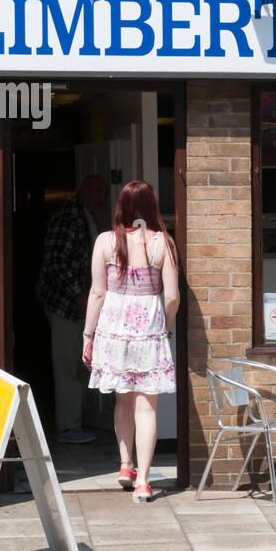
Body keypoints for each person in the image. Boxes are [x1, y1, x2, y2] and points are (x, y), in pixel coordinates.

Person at [82, 181, 179, 502]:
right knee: (147, 407)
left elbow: (97, 293)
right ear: (152, 206)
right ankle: (144, 481)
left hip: (113, 330)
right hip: (148, 331)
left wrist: (88, 336)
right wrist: (163, 326)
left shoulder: (106, 242)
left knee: (122, 400)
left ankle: (125, 466)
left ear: (121, 206)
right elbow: (173, 297)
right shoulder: (162, 243)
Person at [36, 174, 108, 444]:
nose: (102, 198)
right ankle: (68, 427)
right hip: (65, 304)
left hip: (80, 304)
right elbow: (56, 263)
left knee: (79, 363)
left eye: (104, 193)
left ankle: (75, 422)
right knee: (67, 365)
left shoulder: (88, 217)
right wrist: (79, 296)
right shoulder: (70, 217)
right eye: (98, 192)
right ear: (84, 191)